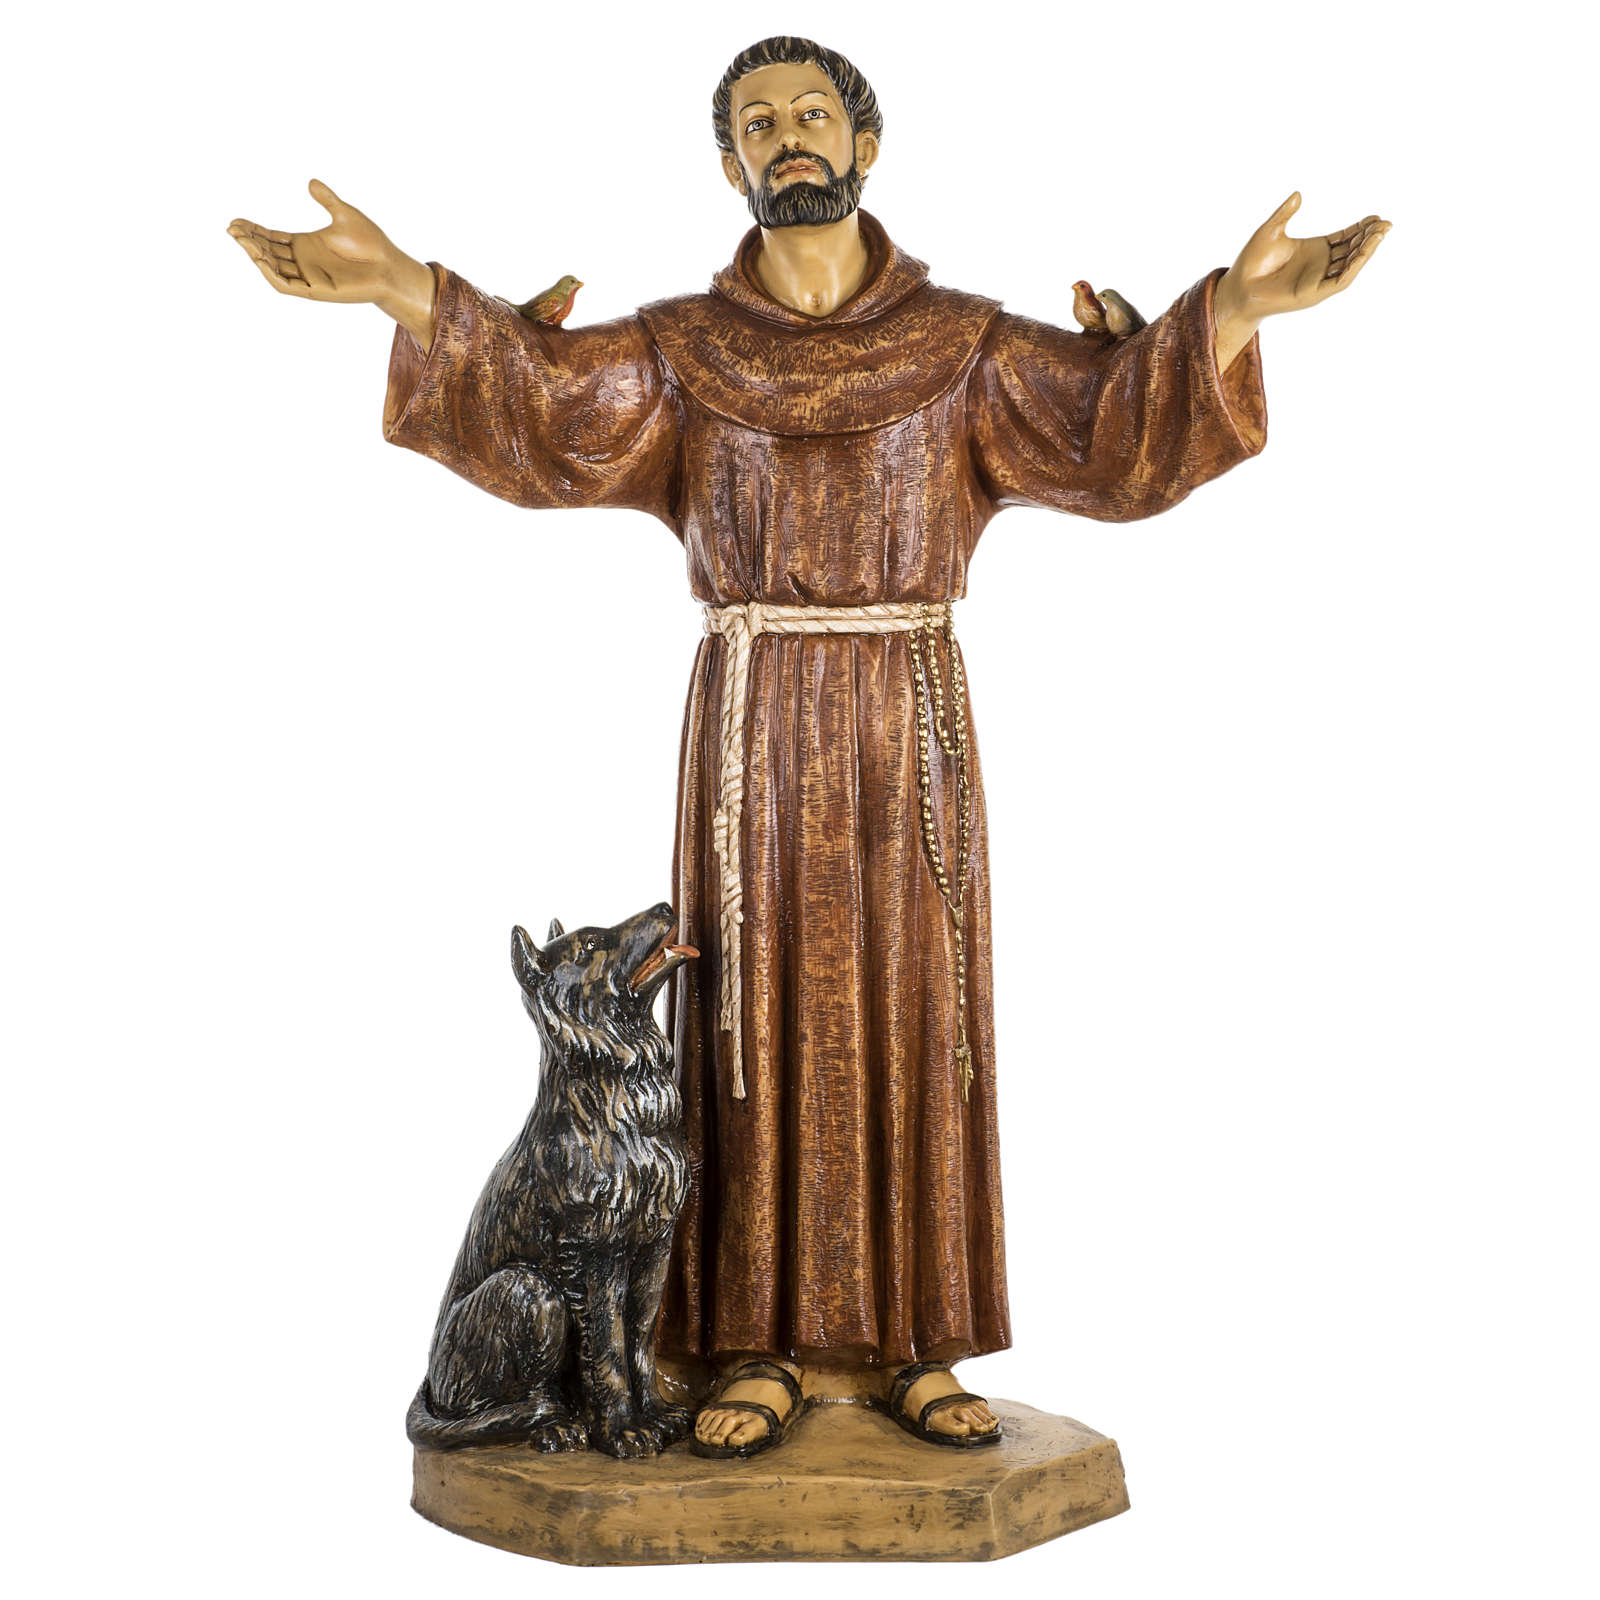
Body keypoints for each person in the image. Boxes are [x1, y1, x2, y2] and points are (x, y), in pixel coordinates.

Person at [229, 34, 1388, 1457]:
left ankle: (917, 1346)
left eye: (812, 113)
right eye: (758, 121)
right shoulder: (685, 354)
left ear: (864, 144)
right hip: (752, 730)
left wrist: (1233, 312)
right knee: (745, 1017)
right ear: (731, 162)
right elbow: (548, 405)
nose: (788, 135)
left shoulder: (963, 347)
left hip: (907, 720)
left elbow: (1106, 428)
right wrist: (404, 287)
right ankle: (756, 1346)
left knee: (921, 1012)